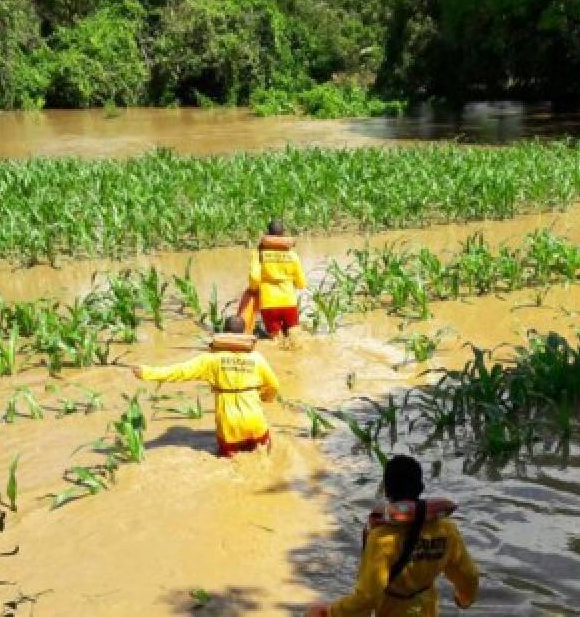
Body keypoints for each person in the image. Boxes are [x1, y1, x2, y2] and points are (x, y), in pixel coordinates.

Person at [306, 455, 480, 617]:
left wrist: (329, 612)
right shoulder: (447, 530)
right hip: (427, 609)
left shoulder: (382, 538)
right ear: (420, 488)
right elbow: (469, 575)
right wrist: (464, 598)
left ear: (387, 490)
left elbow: (367, 598)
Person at [131, 317, 279, 456]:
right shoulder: (257, 358)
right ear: (244, 333)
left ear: (224, 333)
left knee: (232, 462)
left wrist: (147, 372)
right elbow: (274, 385)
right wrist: (265, 397)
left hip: (229, 424)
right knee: (264, 455)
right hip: (255, 420)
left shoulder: (210, 360)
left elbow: (179, 372)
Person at [239, 218, 307, 338]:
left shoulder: (259, 253)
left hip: (269, 303)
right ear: (283, 235)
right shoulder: (292, 254)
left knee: (276, 339)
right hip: (289, 301)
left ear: (268, 234)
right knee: (294, 337)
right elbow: (301, 282)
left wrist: (253, 290)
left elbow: (254, 277)